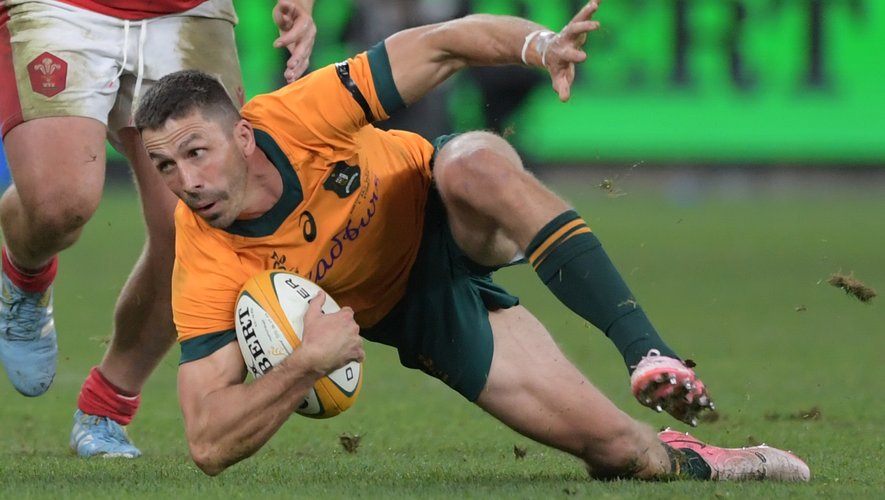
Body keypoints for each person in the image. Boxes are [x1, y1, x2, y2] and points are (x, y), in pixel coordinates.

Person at [135, 1, 810, 480]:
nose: (186, 182)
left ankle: (648, 352)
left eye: (196, 152)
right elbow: (207, 442)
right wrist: (304, 364)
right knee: (621, 455)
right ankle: (702, 458)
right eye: (164, 166)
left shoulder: (297, 115)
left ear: (243, 136)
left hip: (440, 203)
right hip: (415, 310)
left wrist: (540, 46)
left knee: (473, 163)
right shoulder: (205, 258)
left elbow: (445, 43)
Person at [0, 0, 317, 458]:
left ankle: (106, 408)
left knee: (196, 226)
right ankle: (24, 278)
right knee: (59, 204)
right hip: (63, 7)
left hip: (189, 11)